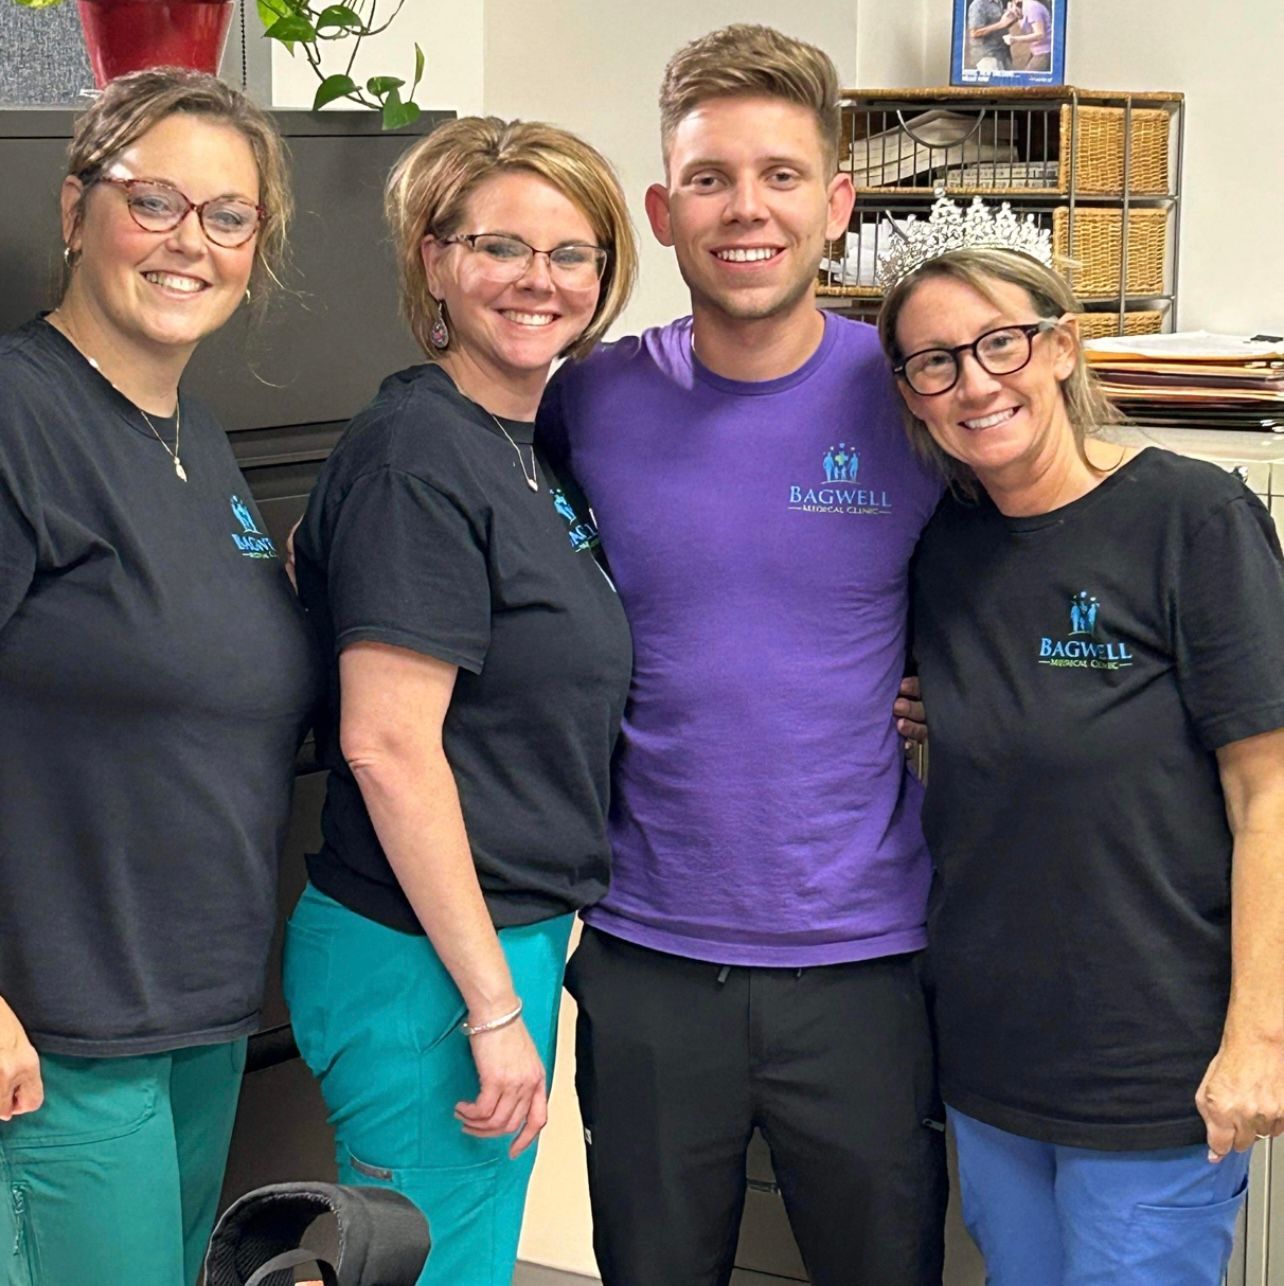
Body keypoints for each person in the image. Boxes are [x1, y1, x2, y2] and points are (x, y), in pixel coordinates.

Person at [538, 25, 947, 1286]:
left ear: (837, 202)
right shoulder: (587, 399)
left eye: (780, 175)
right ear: (662, 209)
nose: (745, 210)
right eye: (710, 178)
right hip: (649, 955)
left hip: (869, 960)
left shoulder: (918, 396)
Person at [877, 224, 1284, 1284]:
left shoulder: (1191, 516)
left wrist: (1260, 1036)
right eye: (936, 361)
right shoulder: (946, 545)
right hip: (991, 1049)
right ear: (912, 393)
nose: (975, 382)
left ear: (1060, 349)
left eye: (1000, 343)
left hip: (1151, 1060)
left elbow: (1269, 790)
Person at [284, 117, 637, 1286]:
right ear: (432, 259)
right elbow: (386, 744)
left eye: (571, 252)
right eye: (499, 246)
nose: (539, 280)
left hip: (490, 937)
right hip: (428, 960)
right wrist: (492, 1005)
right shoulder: (420, 452)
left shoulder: (526, 446)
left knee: (459, 1254)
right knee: (434, 1266)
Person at [0, 68, 318, 1285]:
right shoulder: (21, 418)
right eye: (156, 202)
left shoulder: (195, 433)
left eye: (228, 216)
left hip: (192, 1012)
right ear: (78, 209)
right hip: (57, 1030)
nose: (193, 242)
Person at [1004, 0, 1053, 71]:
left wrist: (1014, 39)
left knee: (1027, 79)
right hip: (1036, 50)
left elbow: (1040, 34)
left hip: (1044, 50)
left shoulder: (1032, 8)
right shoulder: (1022, 7)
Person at [967, 0, 1015, 71]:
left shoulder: (998, 2)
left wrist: (1012, 17)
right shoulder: (978, 5)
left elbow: (1002, 24)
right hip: (987, 56)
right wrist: (1001, 24)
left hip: (1003, 53)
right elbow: (974, 33)